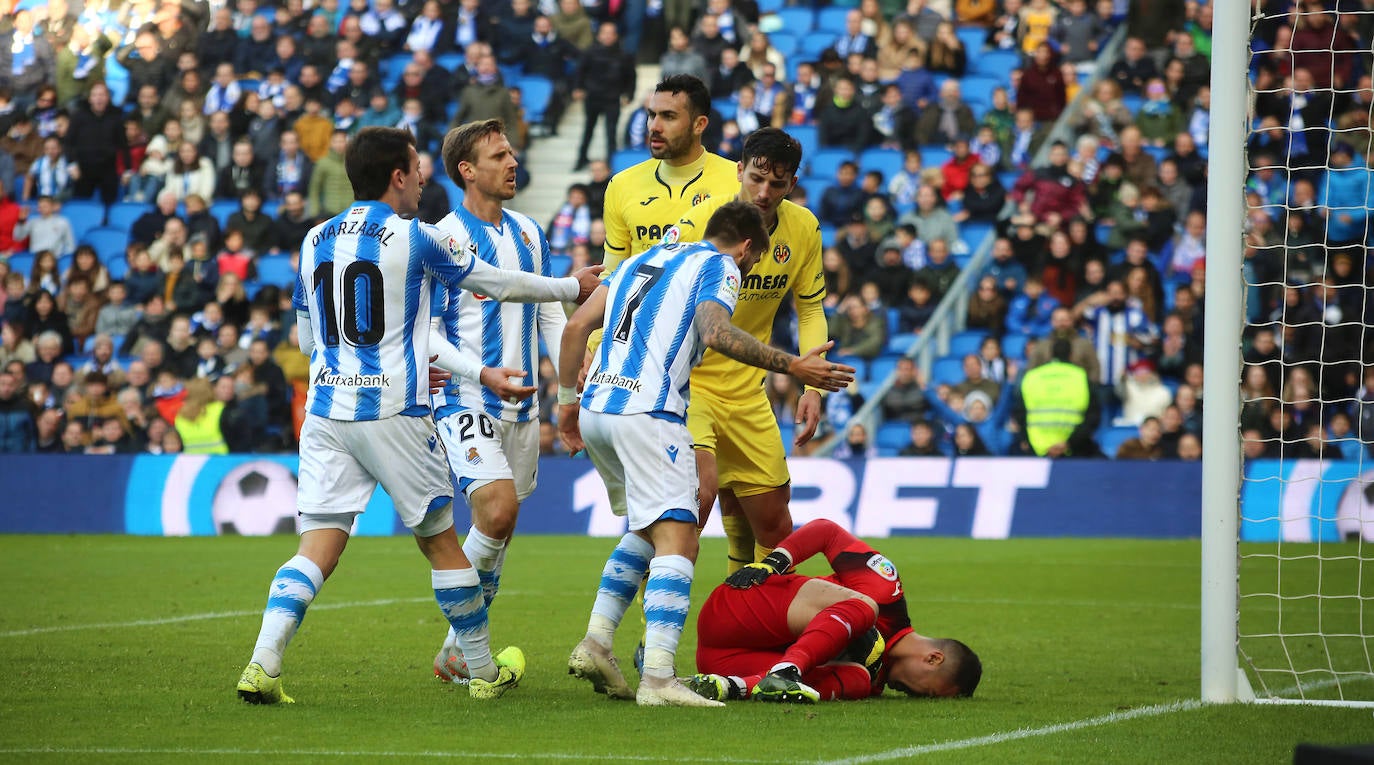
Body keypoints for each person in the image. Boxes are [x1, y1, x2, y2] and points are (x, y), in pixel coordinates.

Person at [235, 127, 602, 705]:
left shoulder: (313, 240)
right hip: (394, 411)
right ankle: (479, 670)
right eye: (416, 167)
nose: (423, 177)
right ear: (398, 177)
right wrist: (567, 285)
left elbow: (308, 336)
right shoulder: (419, 237)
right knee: (442, 543)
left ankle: (262, 663)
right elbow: (490, 280)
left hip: (327, 411)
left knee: (317, 549)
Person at [557, 200, 853, 707]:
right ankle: (659, 678)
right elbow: (716, 331)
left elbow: (573, 327)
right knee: (680, 537)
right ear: (745, 247)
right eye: (754, 260)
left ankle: (597, 641)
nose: (750, 269)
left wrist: (565, 403)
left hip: (598, 409)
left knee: (647, 530)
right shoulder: (720, 265)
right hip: (649, 413)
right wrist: (793, 367)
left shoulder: (638, 260)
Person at [426, 120, 570, 683]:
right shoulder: (440, 239)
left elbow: (551, 314)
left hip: (522, 407)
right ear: (467, 169)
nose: (513, 162)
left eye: (512, 153)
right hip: (465, 397)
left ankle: (456, 649)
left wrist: (572, 392)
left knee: (500, 528)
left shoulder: (531, 233)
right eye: (498, 155)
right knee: (499, 510)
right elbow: (428, 333)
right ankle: (473, 657)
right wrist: (480, 371)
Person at [664, 128, 829, 577]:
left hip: (747, 392)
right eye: (756, 177)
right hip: (684, 385)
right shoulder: (702, 221)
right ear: (739, 169)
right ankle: (650, 635)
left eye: (777, 184)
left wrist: (813, 385)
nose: (763, 192)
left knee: (776, 526)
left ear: (791, 184)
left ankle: (753, 619)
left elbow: (810, 307)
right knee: (691, 505)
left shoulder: (804, 227)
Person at [685, 519, 981, 703]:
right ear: (933, 659)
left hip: (719, 660)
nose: (911, 695)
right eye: (926, 693)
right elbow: (826, 532)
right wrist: (773, 562)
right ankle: (787, 672)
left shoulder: (874, 682)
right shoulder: (887, 592)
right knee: (866, 609)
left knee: (857, 680)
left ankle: (732, 687)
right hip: (741, 608)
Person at [1013, 338, 1102, 457]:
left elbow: (1019, 414)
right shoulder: (1080, 377)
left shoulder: (1031, 376)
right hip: (1074, 451)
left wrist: (1029, 441)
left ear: (1050, 354)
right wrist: (1070, 443)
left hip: (1037, 449)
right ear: (1071, 355)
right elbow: (1093, 415)